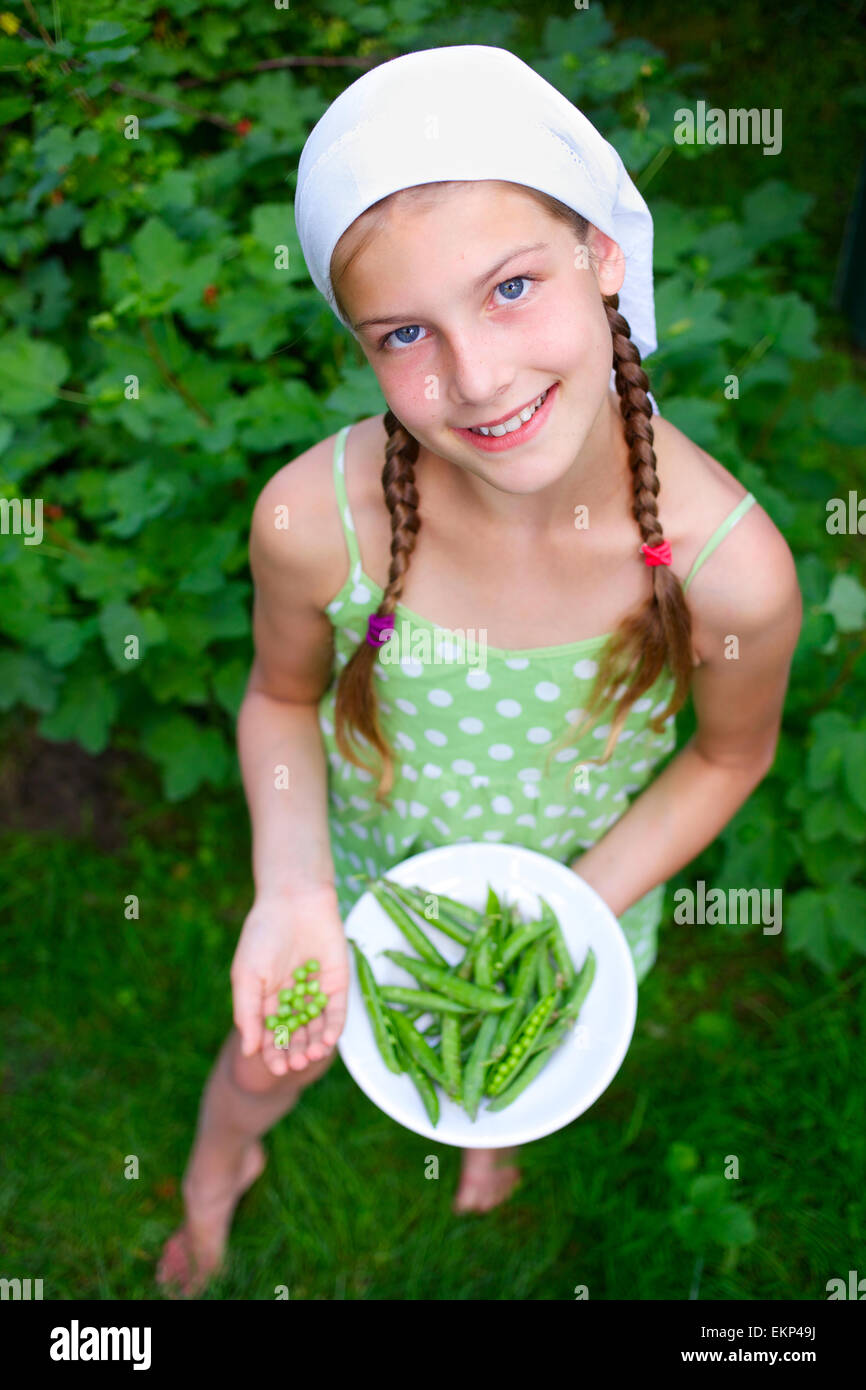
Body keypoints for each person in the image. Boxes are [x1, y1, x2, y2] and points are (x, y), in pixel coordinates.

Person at [157, 45, 802, 1297]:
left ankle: (485, 1132)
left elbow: (732, 754)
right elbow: (282, 697)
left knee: (513, 1034)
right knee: (264, 1059)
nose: (477, 375)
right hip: (358, 862)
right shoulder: (312, 520)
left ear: (604, 255)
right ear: (358, 345)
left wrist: (575, 908)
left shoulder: (729, 570)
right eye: (405, 332)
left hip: (584, 878)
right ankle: (212, 1168)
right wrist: (290, 889)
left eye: (510, 287)